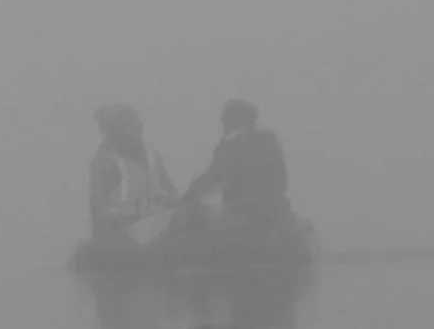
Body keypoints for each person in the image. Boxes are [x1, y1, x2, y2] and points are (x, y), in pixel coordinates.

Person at [180, 98, 291, 235]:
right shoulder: (270, 141)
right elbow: (283, 182)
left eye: (224, 119)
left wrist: (189, 193)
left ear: (231, 121)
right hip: (277, 215)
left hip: (243, 218)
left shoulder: (231, 145)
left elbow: (213, 177)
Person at [88, 104, 177, 244]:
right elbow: (98, 208)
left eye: (137, 123)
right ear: (117, 130)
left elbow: (170, 190)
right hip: (123, 231)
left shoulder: (151, 155)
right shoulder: (106, 162)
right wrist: (101, 240)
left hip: (156, 225)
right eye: (130, 125)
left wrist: (175, 203)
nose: (138, 129)